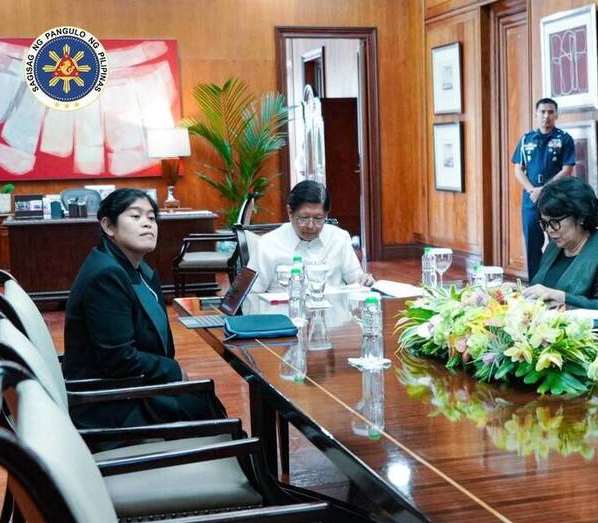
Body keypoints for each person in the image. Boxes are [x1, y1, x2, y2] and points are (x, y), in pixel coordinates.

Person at [64, 189, 225, 430]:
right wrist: (173, 370)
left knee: (204, 400)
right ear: (108, 226)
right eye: (136, 216)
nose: (147, 224)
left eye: (151, 218)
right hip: (110, 404)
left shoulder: (137, 269)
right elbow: (120, 359)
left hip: (132, 388)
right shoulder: (106, 275)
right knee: (205, 405)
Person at [523, 177, 598, 312]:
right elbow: (541, 291)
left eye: (555, 222)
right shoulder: (553, 248)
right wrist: (521, 293)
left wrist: (562, 298)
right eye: (545, 223)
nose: (549, 230)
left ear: (581, 217)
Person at [248, 180, 374, 293]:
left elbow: (356, 280)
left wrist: (365, 281)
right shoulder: (268, 245)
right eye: (304, 218)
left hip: (333, 310)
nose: (310, 225)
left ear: (326, 215)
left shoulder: (339, 238)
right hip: (286, 310)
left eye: (318, 218)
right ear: (290, 212)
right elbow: (252, 294)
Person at [511, 98, 576, 280]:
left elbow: (567, 169)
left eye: (550, 112)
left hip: (555, 198)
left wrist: (543, 190)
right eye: (543, 112)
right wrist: (533, 190)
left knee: (558, 240)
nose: (546, 116)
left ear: (556, 115)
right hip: (531, 200)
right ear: (536, 114)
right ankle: (534, 282)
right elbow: (518, 170)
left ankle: (557, 281)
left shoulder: (564, 139)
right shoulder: (526, 139)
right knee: (532, 242)